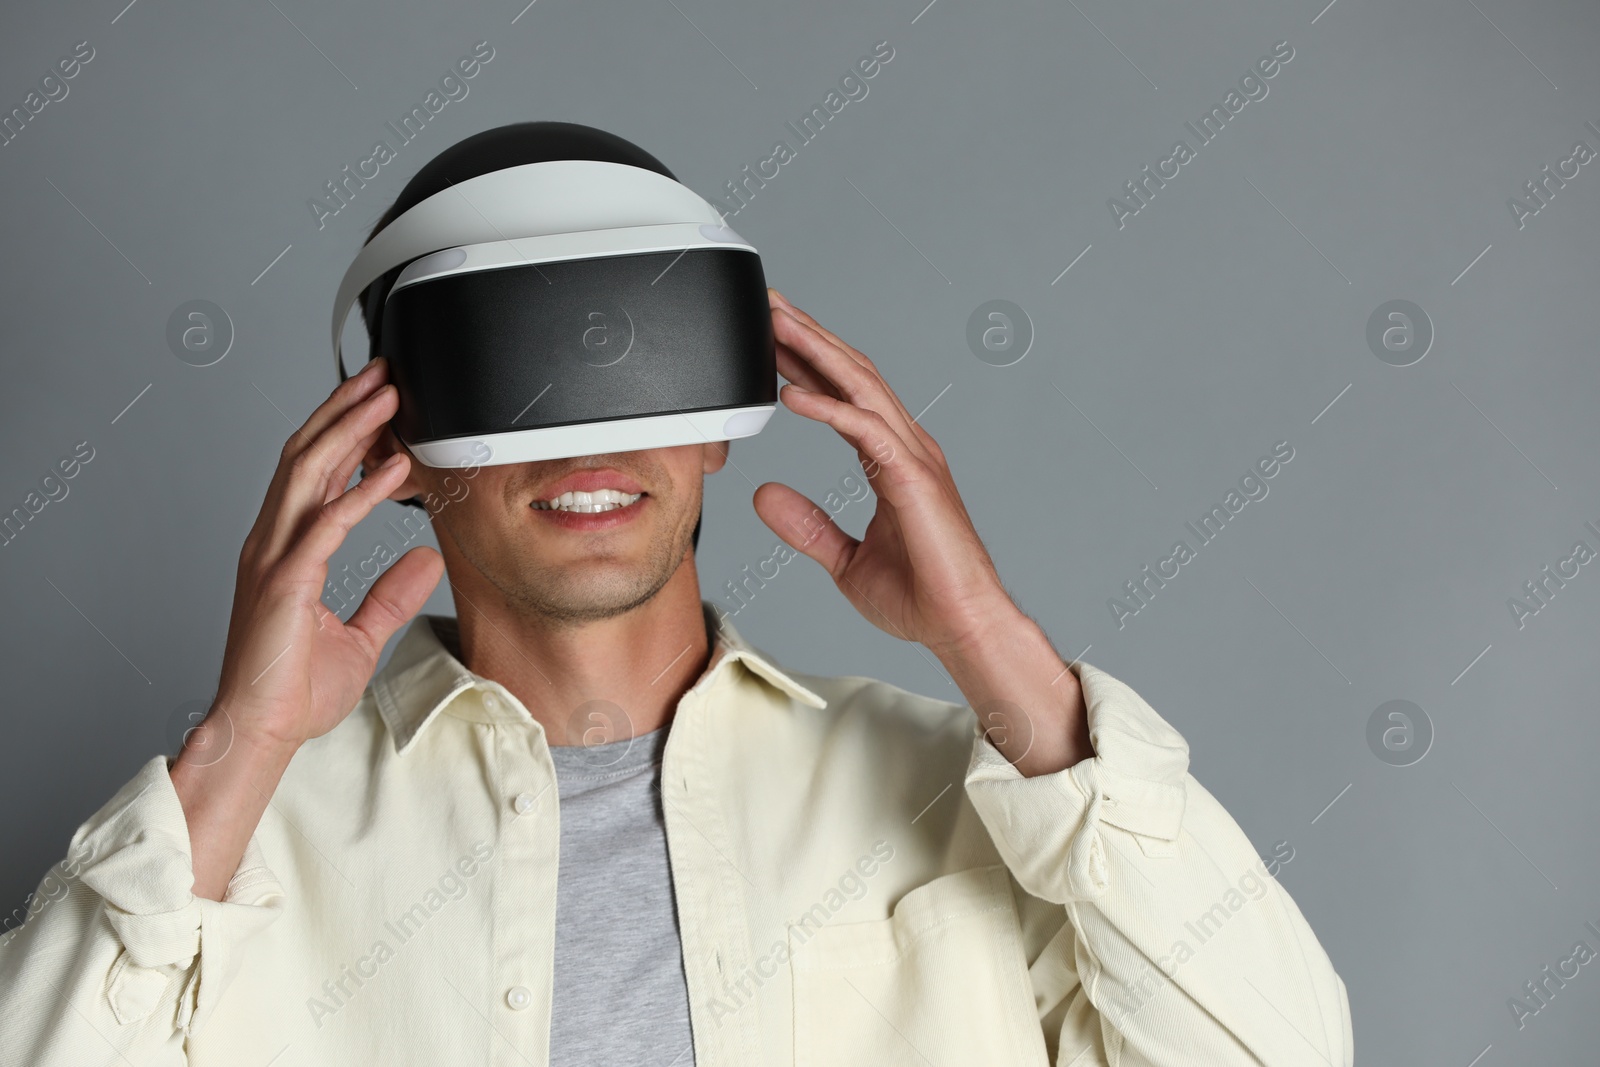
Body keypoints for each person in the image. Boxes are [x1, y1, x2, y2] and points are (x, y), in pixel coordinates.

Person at [0, 124, 1352, 1067]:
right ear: (388, 451)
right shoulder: (233, 856)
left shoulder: (972, 797)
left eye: (641, 359)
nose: (588, 440)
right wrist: (236, 753)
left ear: (725, 411)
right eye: (518, 373)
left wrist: (998, 653)